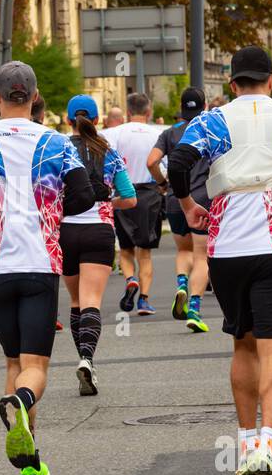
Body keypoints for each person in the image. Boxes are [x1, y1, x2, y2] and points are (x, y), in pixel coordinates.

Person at [167, 46, 272, 475]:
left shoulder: (211, 121)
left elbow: (177, 164)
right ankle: (268, 449)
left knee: (242, 343)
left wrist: (187, 204)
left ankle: (243, 448)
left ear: (232, 83)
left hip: (227, 243)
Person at [0, 62, 94, 475]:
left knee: (13, 362)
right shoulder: (56, 143)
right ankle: (22, 404)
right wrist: (48, 214)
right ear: (33, 98)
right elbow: (84, 196)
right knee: (35, 368)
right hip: (39, 263)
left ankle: (31, 465)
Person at [61, 94, 137, 394]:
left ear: (68, 120)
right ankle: (87, 359)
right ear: (96, 120)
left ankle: (83, 358)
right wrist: (109, 203)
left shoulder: (59, 150)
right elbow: (130, 197)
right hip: (98, 230)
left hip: (65, 231)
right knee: (91, 299)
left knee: (76, 302)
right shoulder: (108, 151)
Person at [147, 85, 212, 331]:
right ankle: (194, 309)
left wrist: (163, 182)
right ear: (204, 105)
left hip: (175, 199)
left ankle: (182, 283)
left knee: (183, 251)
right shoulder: (208, 129)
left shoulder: (169, 133)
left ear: (181, 108)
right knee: (201, 256)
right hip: (202, 199)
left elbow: (151, 161)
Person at [106, 92, 167, 316]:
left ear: (128, 112)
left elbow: (108, 160)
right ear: (149, 111)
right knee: (146, 252)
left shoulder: (115, 133)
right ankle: (144, 300)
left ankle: (130, 278)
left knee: (126, 248)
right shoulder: (158, 133)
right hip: (150, 193)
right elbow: (164, 165)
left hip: (124, 193)